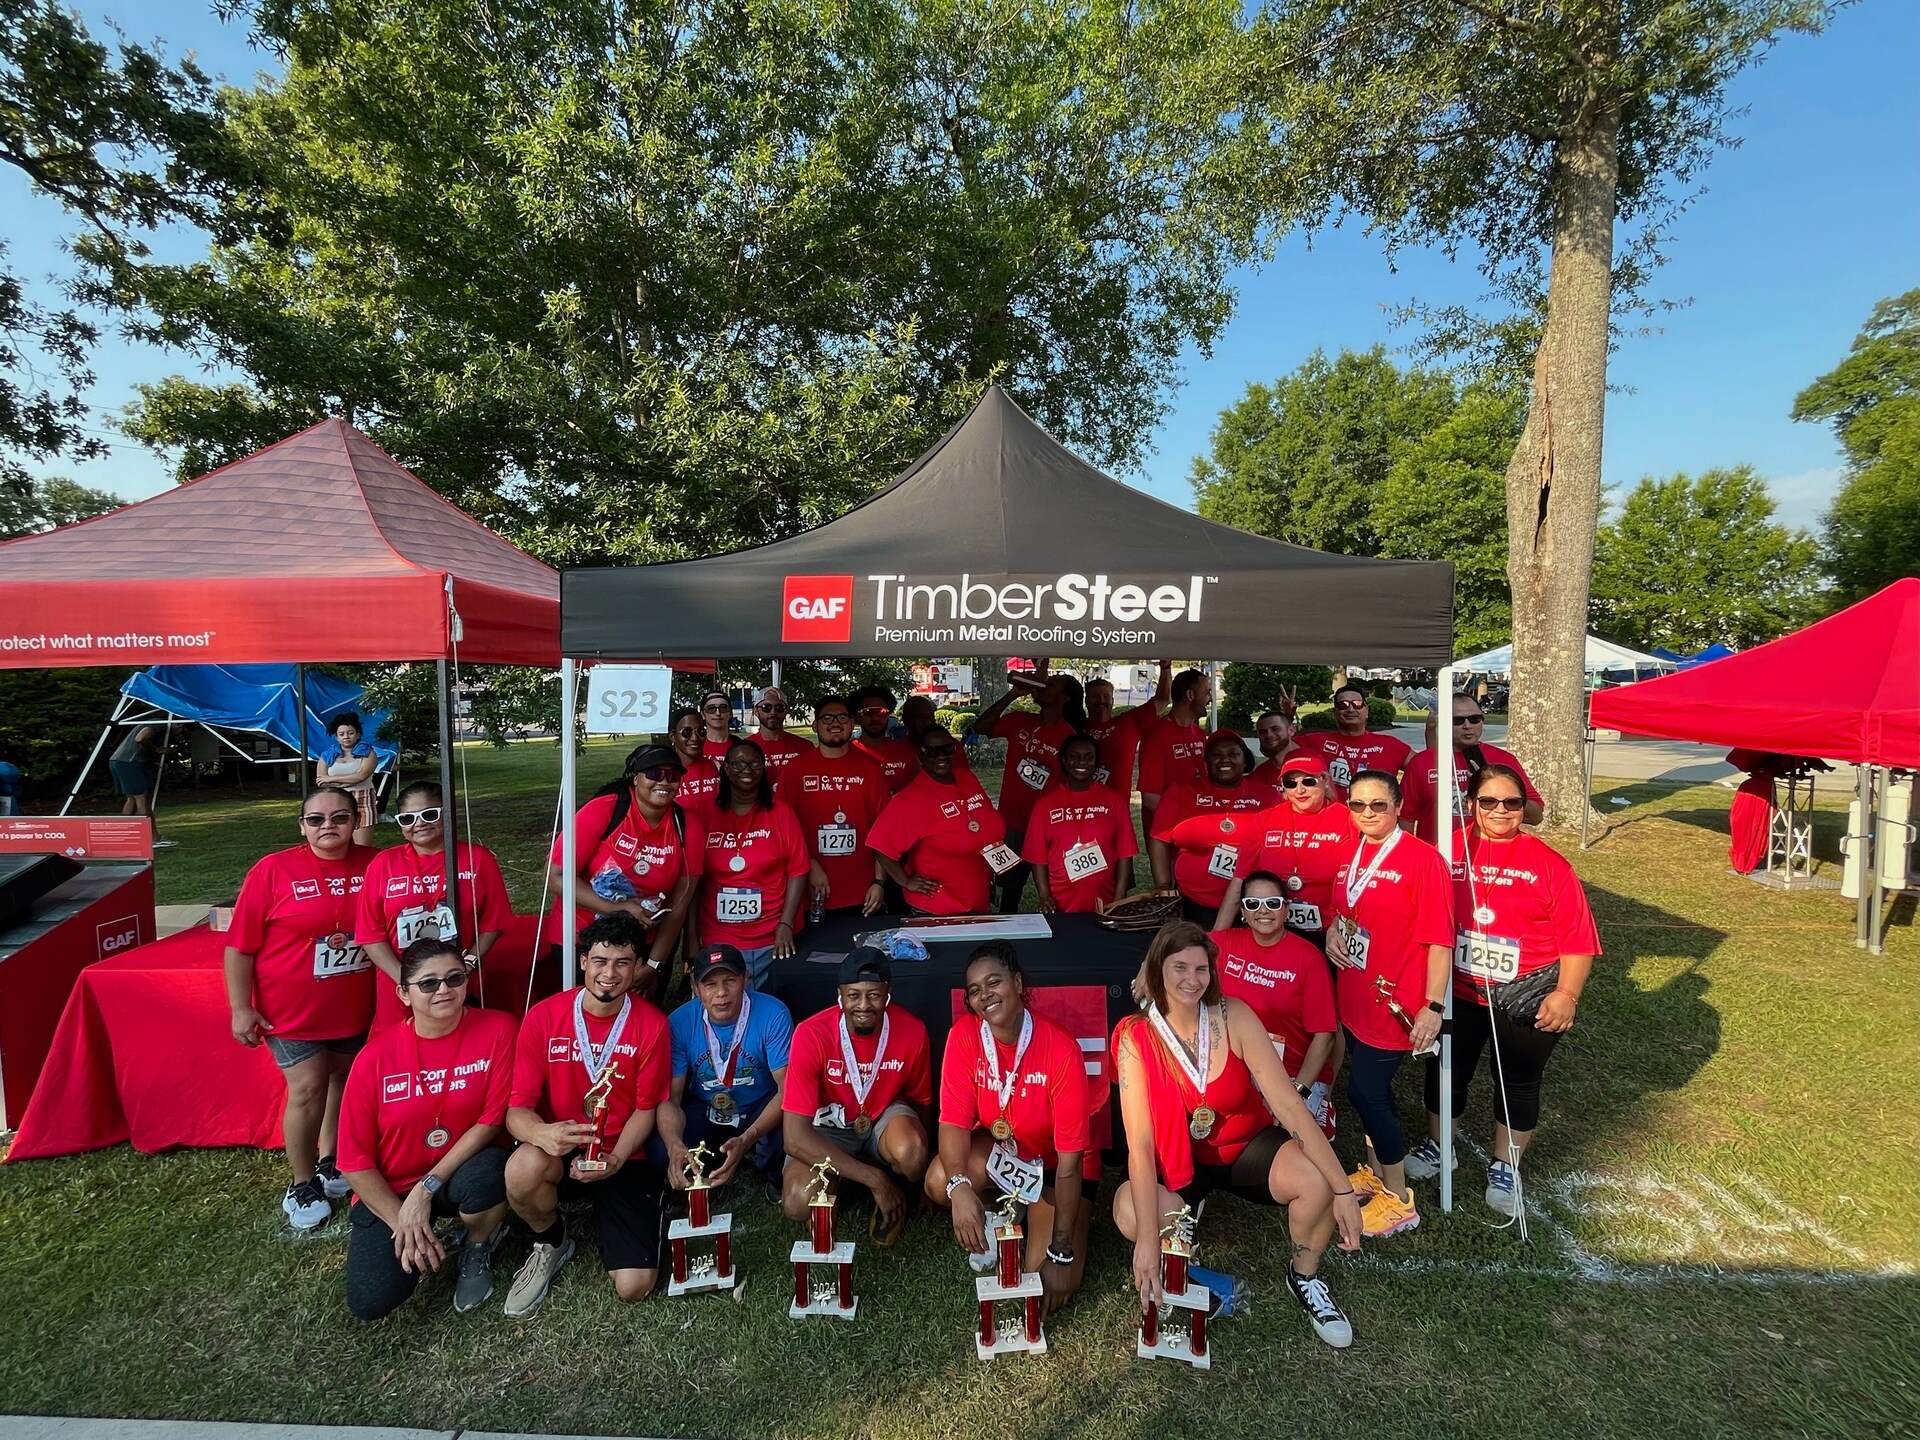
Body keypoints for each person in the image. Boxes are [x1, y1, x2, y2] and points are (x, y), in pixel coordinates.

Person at [1111, 922, 1362, 1349]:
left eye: (1202, 969)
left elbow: (1288, 1105)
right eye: (1180, 968)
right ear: (1157, 969)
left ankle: (1304, 1275)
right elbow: (1139, 1146)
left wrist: (1342, 1189)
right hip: (1179, 1162)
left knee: (1315, 1181)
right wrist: (1149, 1243)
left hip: (1244, 1146)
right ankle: (1179, 1253)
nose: (1193, 979)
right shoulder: (1136, 1038)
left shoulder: (1234, 1015)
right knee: (1130, 1214)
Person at [1406, 765, 1600, 1215]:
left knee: (1516, 1081)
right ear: (1471, 804)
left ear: (1522, 809)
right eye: (1488, 801)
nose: (1500, 811)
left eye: (1511, 803)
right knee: (1445, 1072)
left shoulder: (1551, 864)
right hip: (1460, 990)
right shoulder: (1447, 850)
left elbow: (1578, 940)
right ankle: (1441, 1146)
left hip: (1526, 993)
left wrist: (1566, 995)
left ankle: (1505, 1164)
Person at [224, 786, 380, 1230]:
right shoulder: (273, 871)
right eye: (316, 819)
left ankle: (331, 1161)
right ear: (301, 825)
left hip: (354, 1003)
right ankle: (301, 1180)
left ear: (356, 821)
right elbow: (239, 946)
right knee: (308, 1087)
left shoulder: (377, 865)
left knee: (340, 1080)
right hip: (291, 1009)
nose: (327, 826)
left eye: (339, 817)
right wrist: (241, 1007)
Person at [337, 935, 516, 1320]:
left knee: (492, 1172)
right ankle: (420, 1234)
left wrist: (426, 1188)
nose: (444, 990)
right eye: (428, 983)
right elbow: (353, 1160)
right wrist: (401, 1218)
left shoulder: (500, 1029)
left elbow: (492, 1119)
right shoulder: (374, 1058)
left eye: (455, 978)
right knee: (372, 1300)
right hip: (393, 1187)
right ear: (404, 993)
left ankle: (478, 1242)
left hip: (455, 1173)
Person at [503, 912, 673, 1316]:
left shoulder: (652, 1025)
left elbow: (645, 1111)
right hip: (560, 1147)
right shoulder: (544, 1017)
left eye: (622, 963)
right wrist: (543, 1135)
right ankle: (552, 1240)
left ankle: (639, 1208)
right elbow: (517, 1112)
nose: (609, 974)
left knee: (634, 1286)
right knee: (521, 1170)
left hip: (622, 1154)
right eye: (600, 961)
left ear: (636, 967)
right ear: (582, 961)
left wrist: (614, 1161)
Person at [926, 941, 1092, 1314]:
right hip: (1007, 1152)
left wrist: (1062, 1251)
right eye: (974, 991)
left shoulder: (1060, 1048)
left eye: (994, 982)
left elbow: (1071, 1163)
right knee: (940, 1181)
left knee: (1041, 1279)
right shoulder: (964, 1036)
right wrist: (960, 1187)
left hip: (1054, 1170)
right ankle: (997, 1210)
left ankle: (1041, 1220)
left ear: (1017, 983)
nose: (985, 995)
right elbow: (952, 1120)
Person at [1325, 769, 1453, 1240]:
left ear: (1398, 806)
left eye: (1378, 805)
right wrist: (1333, 929)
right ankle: (1378, 1174)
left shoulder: (1423, 860)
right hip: (1355, 995)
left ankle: (1399, 1200)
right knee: (1371, 1090)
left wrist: (1433, 1007)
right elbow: (1339, 906)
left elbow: (1440, 939)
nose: (1367, 814)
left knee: (1365, 1093)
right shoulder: (1350, 853)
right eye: (1357, 805)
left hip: (1396, 1001)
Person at [782, 948, 932, 1245]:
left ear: (888, 993)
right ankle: (841, 1178)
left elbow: (922, 1104)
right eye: (853, 995)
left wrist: (921, 1181)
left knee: (912, 1152)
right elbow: (794, 1138)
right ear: (839, 994)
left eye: (874, 995)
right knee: (798, 1201)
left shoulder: (913, 1031)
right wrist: (875, 1180)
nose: (864, 1005)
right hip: (828, 1127)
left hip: (882, 1118)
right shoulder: (811, 1034)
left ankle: (895, 1189)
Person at [355, 780, 512, 1035]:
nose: (419, 824)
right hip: (399, 984)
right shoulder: (383, 863)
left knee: (459, 1047)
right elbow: (370, 934)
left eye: (429, 814)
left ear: (447, 813)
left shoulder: (478, 858)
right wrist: (406, 981)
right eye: (407, 818)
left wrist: (467, 965)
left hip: (455, 981)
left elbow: (493, 923)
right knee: (399, 1052)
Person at [545, 742, 701, 994]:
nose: (663, 782)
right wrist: (617, 908)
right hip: (583, 935)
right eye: (654, 774)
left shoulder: (687, 826)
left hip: (645, 941)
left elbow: (680, 903)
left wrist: (653, 964)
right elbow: (555, 878)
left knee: (640, 1019)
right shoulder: (604, 810)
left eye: (672, 776)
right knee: (588, 1011)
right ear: (635, 778)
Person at [657, 942, 795, 1205]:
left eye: (730, 980)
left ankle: (773, 1174)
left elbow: (787, 1089)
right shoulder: (678, 1021)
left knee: (787, 1134)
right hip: (706, 1105)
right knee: (660, 1150)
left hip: (760, 1104)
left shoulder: (773, 1013)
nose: (721, 993)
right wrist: (675, 1146)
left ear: (745, 979)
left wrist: (747, 1138)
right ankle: (705, 1165)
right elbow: (670, 1099)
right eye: (710, 985)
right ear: (696, 988)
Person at [1212, 872, 1338, 1136]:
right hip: (1241, 1070)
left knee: (1296, 1150)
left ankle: (1322, 1107)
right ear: (1243, 913)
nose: (1263, 911)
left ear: (1286, 910)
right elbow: (1176, 945)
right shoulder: (1224, 944)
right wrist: (1147, 968)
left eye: (1272, 903)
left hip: (1293, 1074)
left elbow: (1325, 1038)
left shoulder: (1309, 959)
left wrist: (1296, 1094)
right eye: (1253, 904)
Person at [692, 739, 810, 986]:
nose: (748, 769)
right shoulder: (705, 814)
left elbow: (798, 871)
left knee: (771, 1010)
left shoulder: (781, 813)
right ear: (725, 768)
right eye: (739, 763)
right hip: (720, 937)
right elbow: (693, 881)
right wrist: (692, 936)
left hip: (773, 937)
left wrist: (786, 924)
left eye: (756, 764)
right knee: (723, 1008)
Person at [973, 663, 1087, 910]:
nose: (1044, 685)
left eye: (1052, 684)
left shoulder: (1068, 737)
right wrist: (1013, 693)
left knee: (1056, 889)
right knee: (1009, 889)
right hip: (1012, 823)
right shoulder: (1020, 721)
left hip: (1048, 827)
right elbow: (981, 727)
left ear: (1065, 698)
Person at [1212, 752, 1355, 946]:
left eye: (1309, 781)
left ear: (1325, 780)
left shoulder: (1348, 819)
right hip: (1273, 930)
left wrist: (1339, 928)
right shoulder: (1264, 820)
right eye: (1291, 783)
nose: (1300, 790)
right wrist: (1216, 939)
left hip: (1327, 933)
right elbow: (1240, 879)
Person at [869, 725, 1010, 916]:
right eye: (932, 752)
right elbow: (880, 846)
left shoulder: (966, 778)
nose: (941, 756)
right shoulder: (910, 800)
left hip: (977, 897)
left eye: (947, 749)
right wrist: (905, 880)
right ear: (920, 755)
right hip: (938, 906)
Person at [775, 694, 889, 919]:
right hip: (811, 894)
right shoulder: (795, 770)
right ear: (815, 725)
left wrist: (879, 882)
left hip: (862, 895)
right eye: (827, 718)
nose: (835, 723)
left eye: (842, 717)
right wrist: (809, 863)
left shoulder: (872, 770)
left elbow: (884, 832)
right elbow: (782, 828)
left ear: (852, 723)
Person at [1149, 729, 1278, 925]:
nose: (1225, 760)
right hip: (1192, 902)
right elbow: (1159, 839)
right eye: (1216, 755)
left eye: (1233, 754)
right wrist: (1164, 884)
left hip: (1252, 903)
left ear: (1245, 760)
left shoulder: (1267, 796)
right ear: (1206, 762)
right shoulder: (1181, 793)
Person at [1400, 694, 1543, 843]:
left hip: (1489, 856)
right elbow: (1405, 817)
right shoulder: (1422, 762)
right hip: (1438, 856)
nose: (1467, 726)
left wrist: (1496, 784)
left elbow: (1536, 817)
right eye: (1458, 720)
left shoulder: (1504, 759)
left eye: (1474, 719)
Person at [1020, 733, 1136, 914]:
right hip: (1060, 905)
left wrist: (1119, 897)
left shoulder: (1114, 801)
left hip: (1105, 903)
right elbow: (1037, 857)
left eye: (1089, 757)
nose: (1082, 762)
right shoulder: (1045, 805)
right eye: (1074, 757)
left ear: (1096, 762)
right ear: (1064, 761)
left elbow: (1125, 852)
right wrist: (1044, 895)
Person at [1137, 668, 1213, 841]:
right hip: (1171, 840)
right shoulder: (1156, 737)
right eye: (1207, 692)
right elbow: (1150, 798)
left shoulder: (1198, 733)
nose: (1210, 699)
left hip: (1200, 833)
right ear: (1190, 695)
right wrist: (1184, 823)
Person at [1724, 749, 1830, 873]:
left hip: (1757, 790)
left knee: (1754, 826)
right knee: (1748, 825)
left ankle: (1744, 863)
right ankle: (1743, 862)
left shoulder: (1774, 754)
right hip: (1758, 790)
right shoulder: (1769, 753)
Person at [1303, 684, 1412, 797]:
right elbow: (1284, 748)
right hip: (1333, 813)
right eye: (1343, 705)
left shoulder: (1390, 745)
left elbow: (1425, 766)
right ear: (1335, 712)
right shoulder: (1315, 741)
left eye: (1357, 704)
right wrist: (1287, 717)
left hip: (1373, 813)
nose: (1350, 709)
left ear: (1367, 711)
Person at [1083, 660, 1170, 797]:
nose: (1101, 700)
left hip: (1117, 810)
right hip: (1081, 807)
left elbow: (1163, 700)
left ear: (1112, 700)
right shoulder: (1075, 727)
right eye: (1095, 697)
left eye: (1106, 696)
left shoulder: (1129, 723)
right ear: (1086, 700)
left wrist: (1165, 667)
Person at [315, 712, 382, 847]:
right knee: (336, 844)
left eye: (350, 733)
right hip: (336, 801)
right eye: (342, 734)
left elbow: (361, 776)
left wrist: (332, 779)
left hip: (363, 799)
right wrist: (350, 779)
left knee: (362, 846)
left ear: (358, 734)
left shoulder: (368, 752)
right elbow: (321, 782)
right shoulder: (327, 755)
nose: (346, 737)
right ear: (336, 737)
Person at [110, 724, 173, 846]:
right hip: (130, 762)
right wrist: (157, 749)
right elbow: (140, 738)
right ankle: (153, 838)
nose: (180, 729)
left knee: (131, 799)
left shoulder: (150, 724)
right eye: (180, 726)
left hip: (117, 761)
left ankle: (127, 836)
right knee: (141, 799)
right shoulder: (160, 725)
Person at [850, 685, 920, 793]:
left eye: (881, 711)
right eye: (868, 712)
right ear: (857, 717)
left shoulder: (906, 753)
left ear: (889, 714)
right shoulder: (846, 752)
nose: (875, 718)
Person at [666, 704, 725, 832]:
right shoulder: (665, 772)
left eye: (701, 731)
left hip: (716, 840)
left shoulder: (715, 766)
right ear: (672, 737)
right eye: (686, 733)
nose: (695, 738)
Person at [748, 685, 814, 781]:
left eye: (779, 707)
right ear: (755, 711)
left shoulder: (805, 747)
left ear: (786, 711)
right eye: (766, 707)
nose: (773, 712)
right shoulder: (746, 747)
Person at [1248, 702, 1306, 787]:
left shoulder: (1315, 759)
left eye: (1275, 729)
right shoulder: (1256, 778)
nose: (1269, 735)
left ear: (1291, 730)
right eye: (1263, 732)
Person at [698, 690, 736, 759]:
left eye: (723, 708)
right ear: (703, 714)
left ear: (730, 713)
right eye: (711, 708)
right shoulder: (694, 745)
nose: (718, 713)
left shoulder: (740, 745)